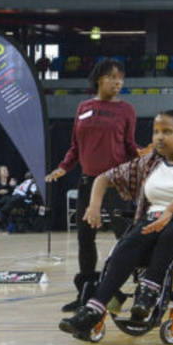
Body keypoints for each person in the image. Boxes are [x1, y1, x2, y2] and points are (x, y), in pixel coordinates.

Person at [58, 110, 173, 340]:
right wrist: (93, 207)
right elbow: (104, 177)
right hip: (152, 219)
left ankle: (148, 292)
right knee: (127, 244)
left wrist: (170, 210)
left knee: (170, 232)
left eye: (167, 131)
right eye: (155, 132)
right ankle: (93, 309)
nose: (159, 137)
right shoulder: (150, 161)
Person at [47, 59, 139, 312]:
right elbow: (76, 147)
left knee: (125, 238)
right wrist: (63, 167)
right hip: (88, 182)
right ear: (99, 79)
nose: (117, 82)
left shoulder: (127, 110)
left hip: (116, 183)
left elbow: (130, 148)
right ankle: (86, 292)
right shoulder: (84, 107)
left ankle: (116, 290)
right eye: (112, 77)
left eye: (121, 78)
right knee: (85, 239)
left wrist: (144, 163)